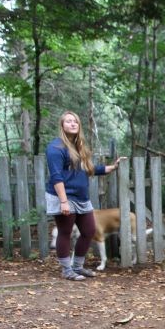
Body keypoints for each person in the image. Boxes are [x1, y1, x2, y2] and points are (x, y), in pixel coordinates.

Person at [45, 110, 125, 280]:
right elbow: (56, 176)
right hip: (64, 196)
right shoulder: (55, 148)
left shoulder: (79, 146)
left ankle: (77, 267)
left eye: (75, 121)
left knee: (88, 231)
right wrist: (63, 201)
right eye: (68, 121)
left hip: (81, 196)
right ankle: (67, 270)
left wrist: (109, 168)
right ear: (62, 125)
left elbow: (86, 169)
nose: (73, 124)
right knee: (65, 232)